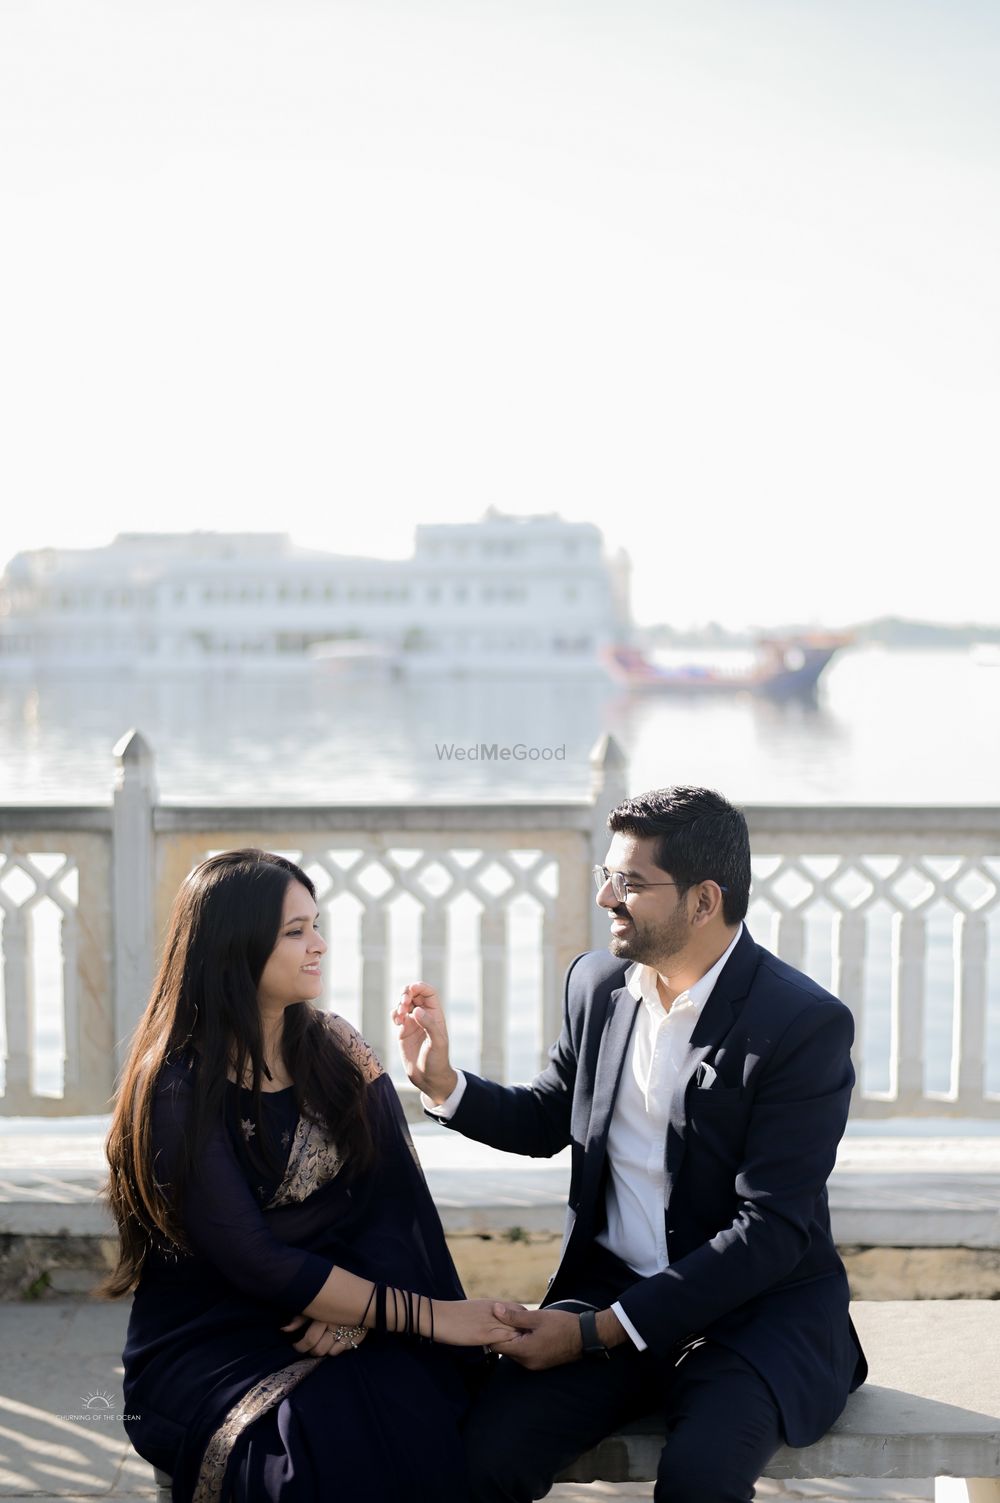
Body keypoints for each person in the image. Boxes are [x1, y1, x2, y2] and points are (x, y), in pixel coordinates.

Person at [395, 786, 868, 1503]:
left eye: (631, 883)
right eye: (606, 877)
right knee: (478, 1457)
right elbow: (554, 1114)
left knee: (698, 1481)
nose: (606, 898)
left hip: (751, 1316)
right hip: (611, 1290)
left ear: (704, 900)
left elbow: (770, 1229)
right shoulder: (597, 982)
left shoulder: (801, 1023)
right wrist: (447, 1085)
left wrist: (597, 1333)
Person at [102, 848, 520, 1503]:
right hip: (213, 1339)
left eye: (316, 924)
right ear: (234, 947)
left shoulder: (336, 1051)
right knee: (315, 1448)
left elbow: (392, 1211)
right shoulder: (178, 1085)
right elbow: (253, 1258)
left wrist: (360, 1319)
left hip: (345, 1316)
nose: (319, 944)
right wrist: (433, 1316)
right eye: (295, 932)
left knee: (413, 1414)